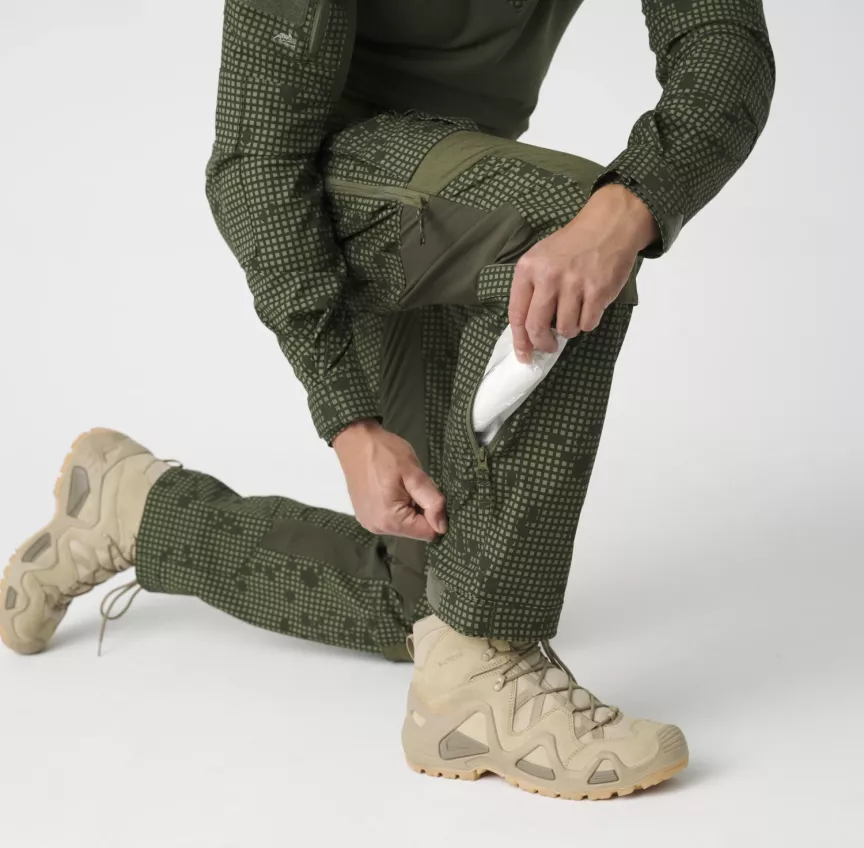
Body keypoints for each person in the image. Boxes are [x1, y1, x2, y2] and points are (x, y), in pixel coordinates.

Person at [0, 0, 774, 800]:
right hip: (323, 189)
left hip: (455, 194)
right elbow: (254, 162)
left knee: (426, 597)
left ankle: (140, 508)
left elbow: (724, 42)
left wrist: (632, 204)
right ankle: (481, 676)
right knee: (556, 226)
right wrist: (349, 419)